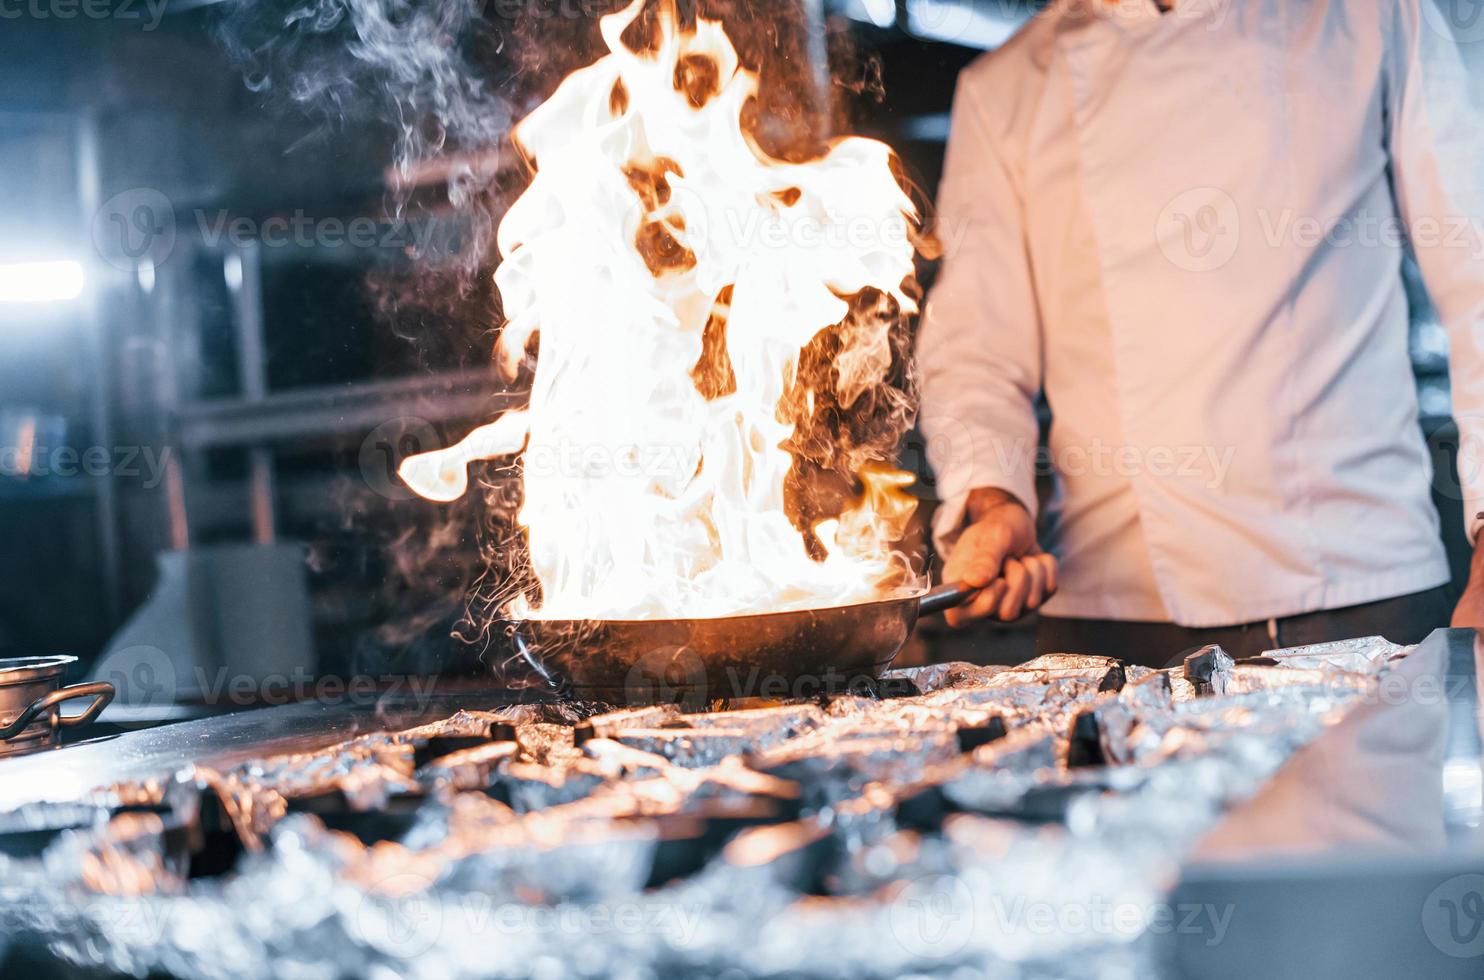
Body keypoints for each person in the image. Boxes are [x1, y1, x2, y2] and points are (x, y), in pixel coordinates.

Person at [916, 0, 1484, 665]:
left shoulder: (1371, 16)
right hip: (1107, 618)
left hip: (1358, 586)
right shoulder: (1008, 86)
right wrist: (993, 497)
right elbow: (975, 352)